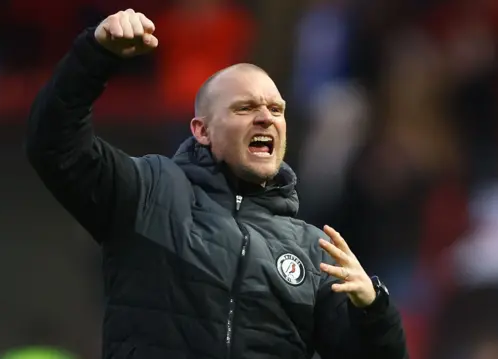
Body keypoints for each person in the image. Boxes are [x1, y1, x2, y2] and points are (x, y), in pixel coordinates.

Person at [25, 9, 408, 359]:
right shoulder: (147, 192)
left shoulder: (313, 252)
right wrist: (93, 55)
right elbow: (53, 144)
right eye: (245, 108)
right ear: (202, 130)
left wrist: (374, 309)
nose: (265, 118)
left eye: (276, 109)